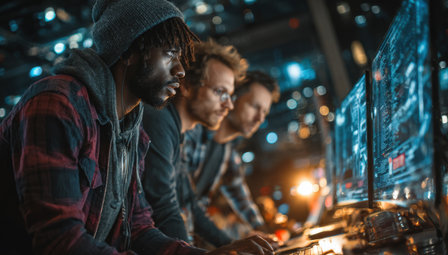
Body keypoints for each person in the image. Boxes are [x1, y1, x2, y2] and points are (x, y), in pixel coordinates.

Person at [0, 0, 274, 254]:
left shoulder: (132, 132)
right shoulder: (58, 104)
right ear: (130, 50)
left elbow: (140, 228)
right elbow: (59, 240)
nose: (180, 70)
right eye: (169, 54)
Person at [142, 39, 248, 247]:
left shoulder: (176, 130)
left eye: (231, 96)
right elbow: (164, 209)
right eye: (220, 92)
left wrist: (232, 246)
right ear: (188, 86)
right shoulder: (160, 121)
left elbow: (190, 204)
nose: (229, 105)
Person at [182, 70, 280, 241]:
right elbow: (186, 203)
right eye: (255, 106)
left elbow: (240, 195)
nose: (259, 118)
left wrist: (265, 233)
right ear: (233, 98)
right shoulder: (193, 131)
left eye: (264, 112)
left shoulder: (227, 151)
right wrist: (229, 245)